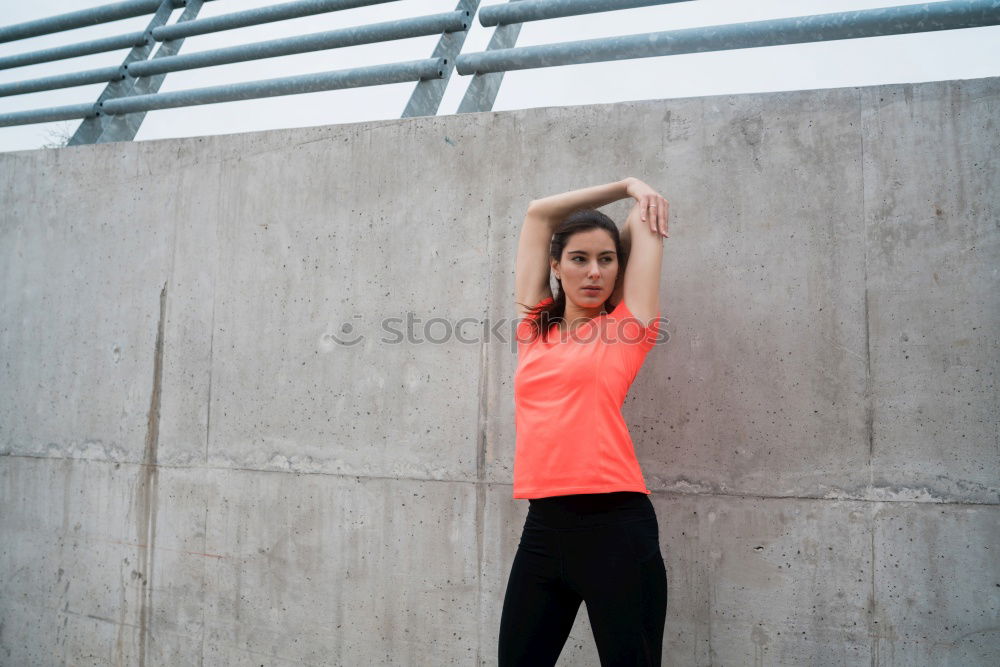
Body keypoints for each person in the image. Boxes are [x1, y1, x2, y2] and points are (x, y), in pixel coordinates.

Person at [498, 177, 670, 666]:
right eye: (579, 259)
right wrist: (624, 184)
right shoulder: (534, 328)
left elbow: (646, 221)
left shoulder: (628, 327)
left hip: (615, 529)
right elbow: (537, 214)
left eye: (607, 259)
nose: (594, 271)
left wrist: (643, 198)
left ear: (620, 268)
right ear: (556, 266)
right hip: (543, 530)